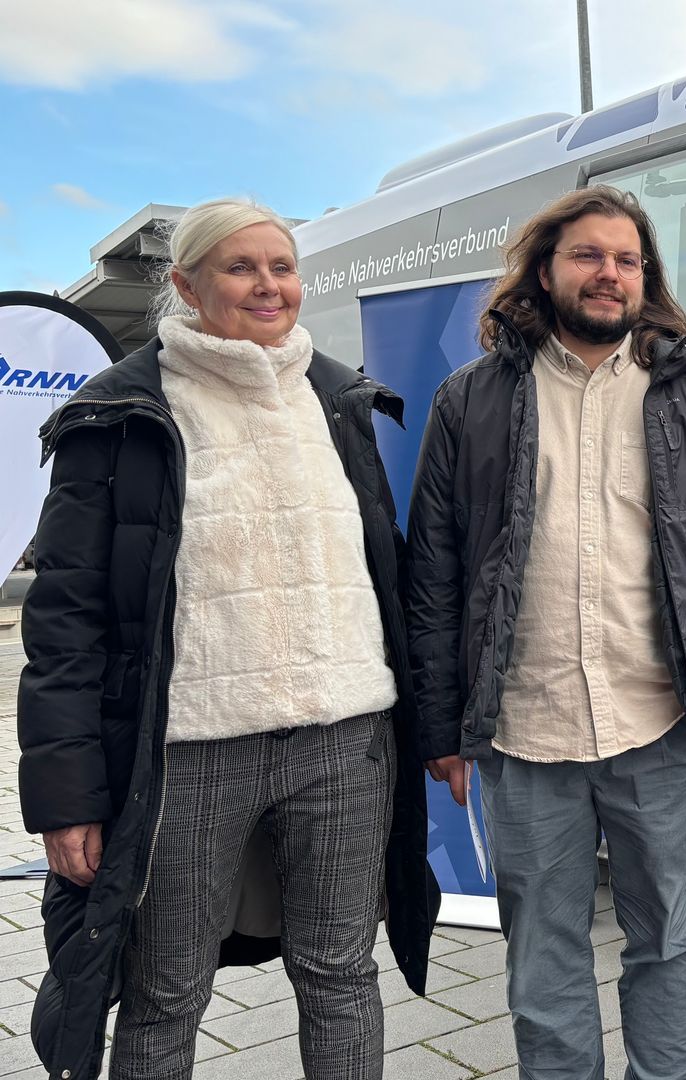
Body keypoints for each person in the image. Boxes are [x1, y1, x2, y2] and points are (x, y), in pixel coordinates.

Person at [17, 197, 438, 1080]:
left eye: (282, 267)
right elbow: (64, 621)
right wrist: (64, 800)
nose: (268, 285)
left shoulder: (338, 398)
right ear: (185, 284)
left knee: (342, 974)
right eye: (241, 268)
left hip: (346, 739)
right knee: (167, 991)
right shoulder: (122, 412)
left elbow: (386, 578)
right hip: (191, 751)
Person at [405, 186, 686, 1080]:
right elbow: (435, 572)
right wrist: (442, 725)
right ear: (544, 270)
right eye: (589, 255)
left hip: (666, 725)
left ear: (646, 278)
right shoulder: (469, 401)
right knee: (544, 958)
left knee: (672, 943)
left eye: (627, 259)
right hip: (525, 730)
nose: (610, 273)